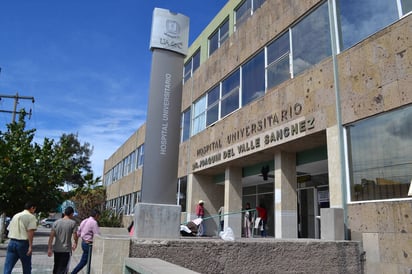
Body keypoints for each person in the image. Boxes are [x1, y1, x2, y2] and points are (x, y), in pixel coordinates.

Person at [4, 201, 37, 274]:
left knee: (8, 265)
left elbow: (9, 228)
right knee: (26, 266)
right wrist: (30, 246)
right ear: (32, 208)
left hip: (12, 242)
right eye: (34, 209)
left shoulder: (16, 215)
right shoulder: (31, 217)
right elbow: (30, 231)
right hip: (23, 243)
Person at [47, 206, 78, 274]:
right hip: (66, 250)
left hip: (57, 249)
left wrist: (49, 248)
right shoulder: (73, 223)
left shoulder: (56, 222)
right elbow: (75, 235)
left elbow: (51, 236)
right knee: (63, 269)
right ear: (71, 214)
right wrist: (75, 242)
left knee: (56, 267)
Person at [71, 209, 101, 274]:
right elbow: (97, 235)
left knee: (86, 261)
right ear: (96, 215)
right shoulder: (94, 222)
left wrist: (75, 242)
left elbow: (78, 233)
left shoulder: (84, 220)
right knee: (84, 261)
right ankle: (73, 272)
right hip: (88, 244)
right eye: (98, 216)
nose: (98, 218)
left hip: (83, 242)